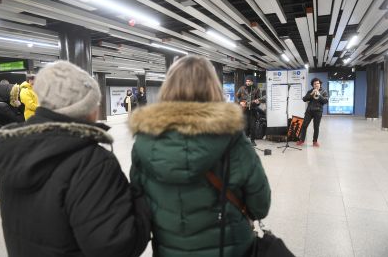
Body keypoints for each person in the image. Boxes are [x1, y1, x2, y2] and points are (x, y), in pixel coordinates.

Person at [0, 61, 150, 257]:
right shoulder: (91, 161)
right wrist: (141, 195)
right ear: (84, 107)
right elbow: (117, 247)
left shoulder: (12, 152)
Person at [129, 56, 271, 257]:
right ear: (214, 87)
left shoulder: (143, 143)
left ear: (167, 88)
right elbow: (260, 206)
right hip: (230, 247)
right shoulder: (234, 141)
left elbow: (139, 205)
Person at [296, 78, 328, 147]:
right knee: (304, 125)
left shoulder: (324, 91)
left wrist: (319, 95)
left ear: (320, 84)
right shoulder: (310, 91)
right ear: (313, 85)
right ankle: (301, 140)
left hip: (318, 112)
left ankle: (315, 141)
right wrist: (311, 94)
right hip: (309, 111)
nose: (316, 85)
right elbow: (304, 99)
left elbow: (325, 101)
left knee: (316, 127)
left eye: (317, 83)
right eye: (315, 84)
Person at [236, 77, 262, 146]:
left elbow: (259, 100)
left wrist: (257, 102)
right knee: (244, 126)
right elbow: (237, 96)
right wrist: (240, 102)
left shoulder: (256, 89)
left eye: (249, 81)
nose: (247, 82)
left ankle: (252, 140)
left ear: (252, 82)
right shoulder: (242, 88)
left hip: (253, 109)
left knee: (252, 126)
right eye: (247, 81)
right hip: (244, 109)